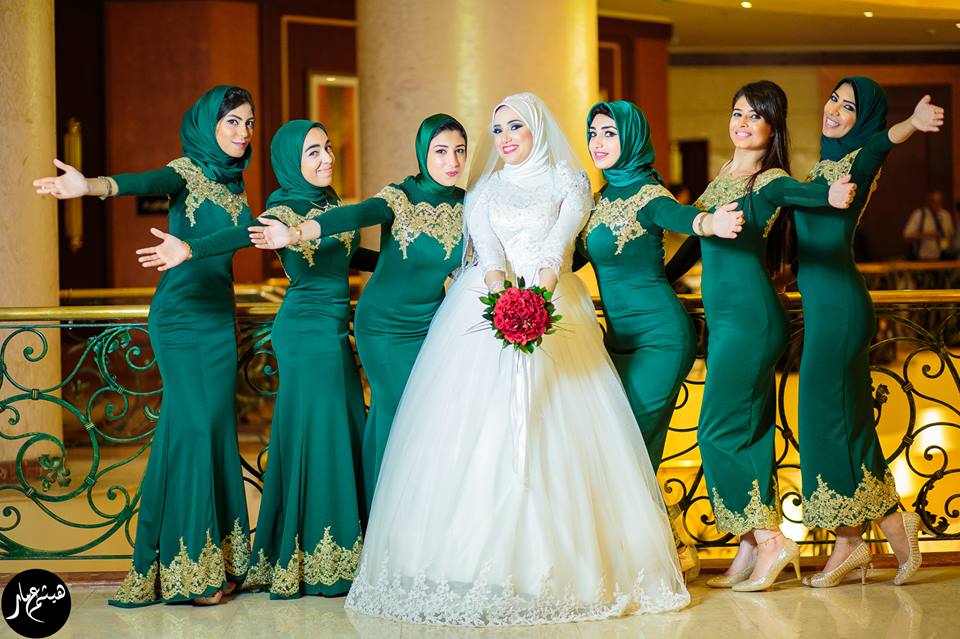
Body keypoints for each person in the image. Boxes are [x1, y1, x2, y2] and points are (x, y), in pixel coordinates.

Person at [344, 93, 689, 626]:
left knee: (563, 427)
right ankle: (457, 559)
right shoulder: (483, 190)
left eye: (515, 127)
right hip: (485, 307)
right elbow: (487, 252)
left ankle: (571, 564)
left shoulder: (570, 182)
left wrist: (535, 303)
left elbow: (559, 245)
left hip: (555, 303)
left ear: (537, 130)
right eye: (498, 129)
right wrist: (502, 298)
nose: (504, 138)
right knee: (474, 432)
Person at [35, 85, 256, 606]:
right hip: (180, 319)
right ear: (208, 124)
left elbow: (242, 238)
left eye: (249, 123)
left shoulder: (236, 183)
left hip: (219, 321)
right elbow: (143, 181)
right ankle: (193, 573)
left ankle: (216, 561)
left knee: (210, 430)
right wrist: (90, 186)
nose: (243, 132)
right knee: (195, 430)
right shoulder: (186, 171)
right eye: (232, 122)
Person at [250, 114, 468, 515]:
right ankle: (388, 516)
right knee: (401, 412)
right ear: (422, 153)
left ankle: (405, 515)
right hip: (384, 326)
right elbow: (354, 215)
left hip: (432, 325)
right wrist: (297, 233)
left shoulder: (469, 205)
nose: (451, 161)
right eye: (440, 151)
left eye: (459, 150)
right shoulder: (400, 196)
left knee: (426, 416)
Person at [692, 81, 855, 593]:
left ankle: (770, 539)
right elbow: (698, 236)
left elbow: (796, 193)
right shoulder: (724, 173)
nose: (742, 123)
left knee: (715, 430)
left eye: (755, 116)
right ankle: (748, 545)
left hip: (750, 321)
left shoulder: (768, 179)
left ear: (772, 127)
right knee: (750, 432)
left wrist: (828, 195)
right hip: (730, 319)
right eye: (736, 112)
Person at [581, 101, 744, 580]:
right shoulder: (597, 200)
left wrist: (709, 223)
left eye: (609, 133)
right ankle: (668, 550)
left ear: (631, 138)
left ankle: (653, 559)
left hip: (661, 340)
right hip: (617, 344)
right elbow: (568, 259)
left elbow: (680, 217)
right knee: (618, 446)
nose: (598, 143)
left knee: (629, 444)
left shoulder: (649, 193)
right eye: (593, 133)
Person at [795, 78, 944, 588]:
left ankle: (863, 536)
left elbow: (882, 143)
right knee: (841, 423)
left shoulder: (857, 161)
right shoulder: (821, 167)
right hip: (824, 307)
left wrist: (911, 125)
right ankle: (870, 535)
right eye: (833, 99)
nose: (834, 109)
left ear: (864, 120)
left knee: (829, 422)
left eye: (849, 106)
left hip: (839, 308)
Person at [904, 190, 954, 260]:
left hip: (943, 258)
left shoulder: (946, 216)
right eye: (934, 201)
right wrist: (927, 234)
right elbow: (907, 236)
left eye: (940, 201)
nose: (937, 204)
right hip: (922, 259)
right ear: (928, 201)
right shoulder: (919, 214)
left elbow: (951, 236)